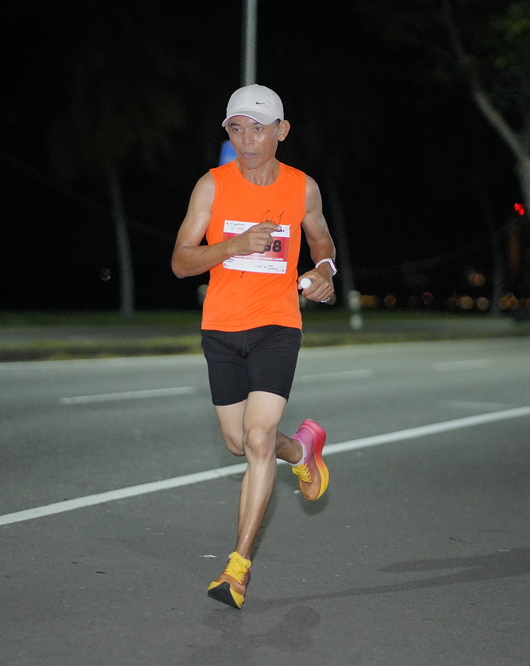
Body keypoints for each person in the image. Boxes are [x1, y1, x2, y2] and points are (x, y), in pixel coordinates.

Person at [171, 84, 337, 609]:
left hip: (276, 325)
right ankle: (303, 450)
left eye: (258, 129)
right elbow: (180, 261)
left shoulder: (302, 188)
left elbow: (322, 243)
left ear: (281, 132)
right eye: (236, 129)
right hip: (221, 328)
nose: (246, 141)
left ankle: (237, 568)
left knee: (259, 437)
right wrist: (234, 245)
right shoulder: (211, 187)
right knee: (238, 442)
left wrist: (325, 272)